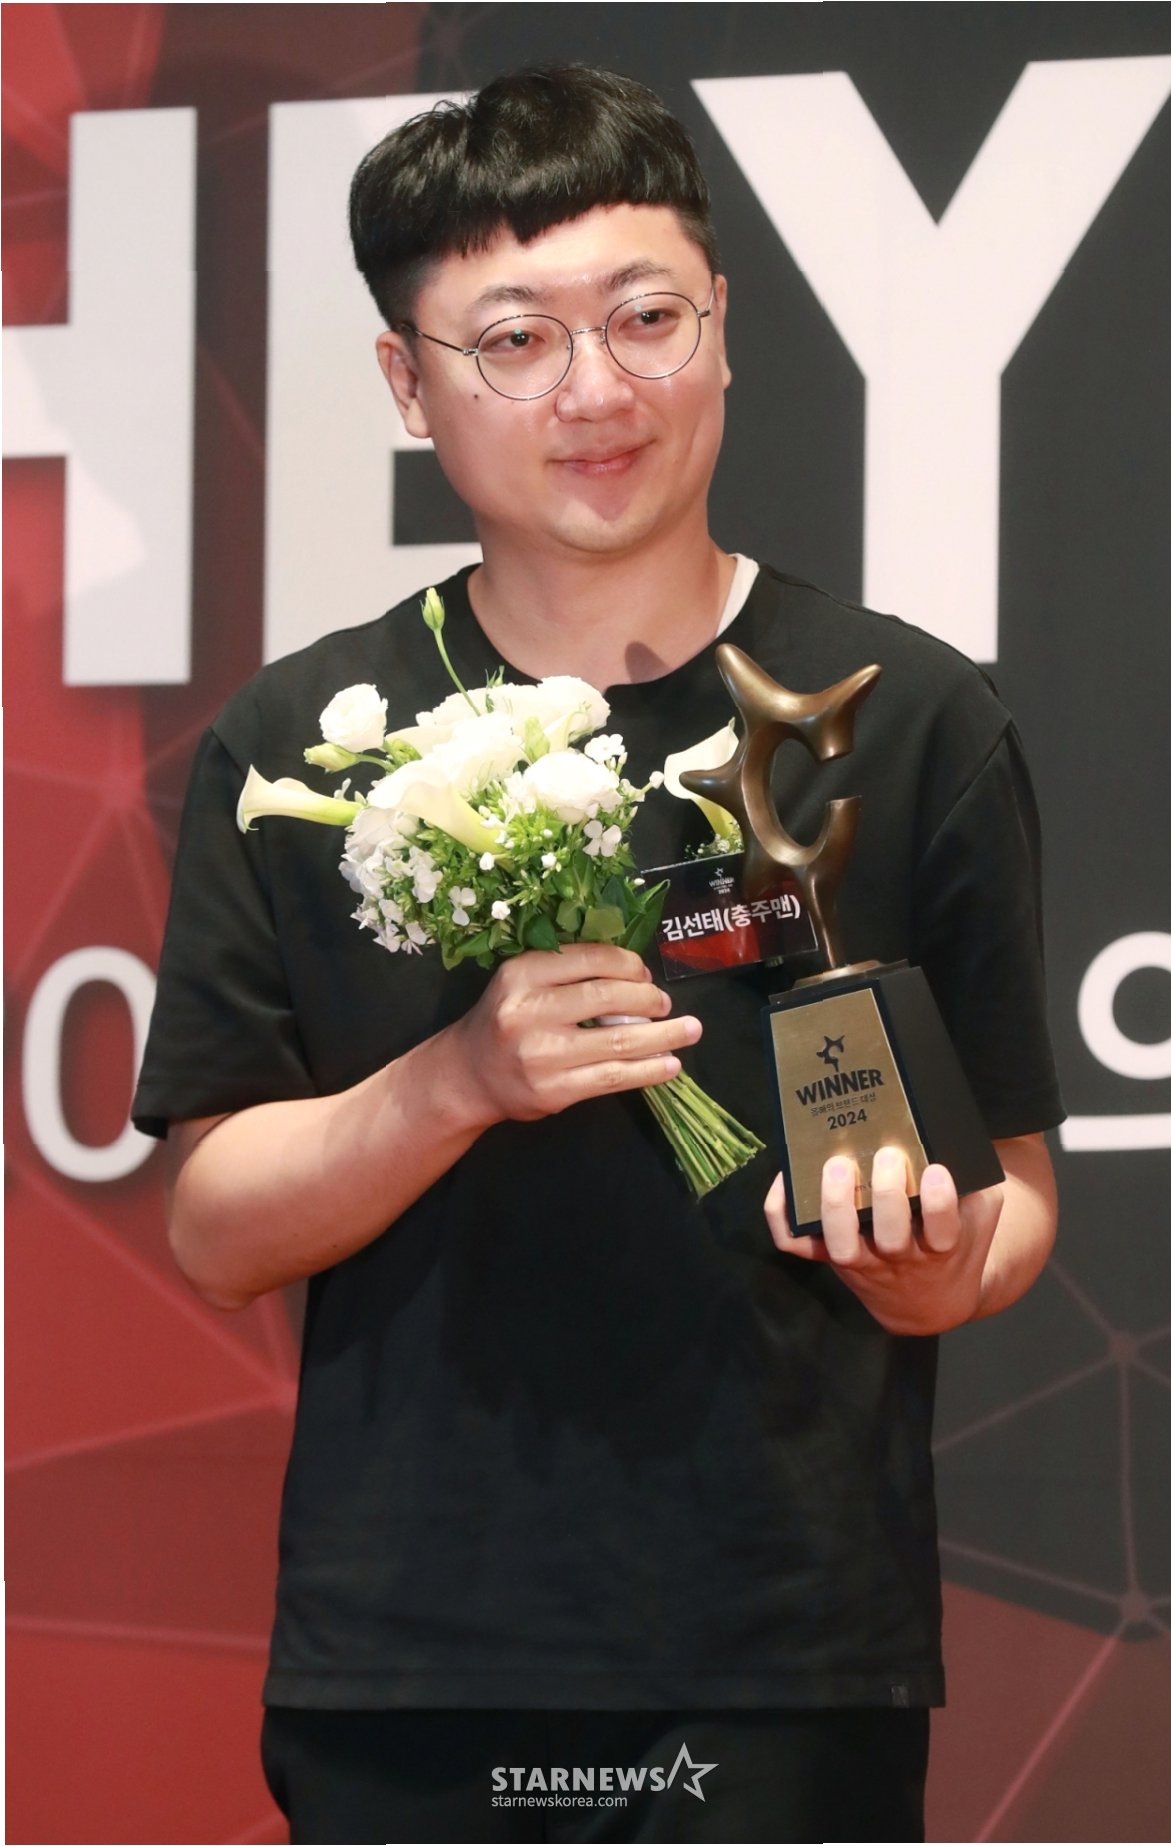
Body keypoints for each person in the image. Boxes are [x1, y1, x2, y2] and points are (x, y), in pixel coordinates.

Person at [133, 64, 1062, 1845]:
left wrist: (935, 1268)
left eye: (647, 318)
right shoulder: (306, 745)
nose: (595, 390)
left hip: (786, 1658)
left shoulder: (907, 716)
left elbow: (1012, 1193)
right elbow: (215, 1224)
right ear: (408, 380)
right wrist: (457, 1080)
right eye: (515, 340)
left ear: (722, 327)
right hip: (413, 1662)